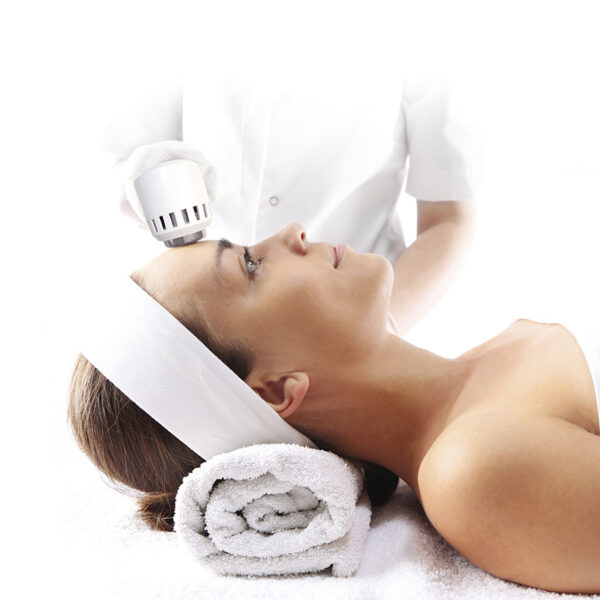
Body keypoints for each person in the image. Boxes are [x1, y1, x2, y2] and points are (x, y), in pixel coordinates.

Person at [69, 222, 600, 594]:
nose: (292, 233)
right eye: (251, 265)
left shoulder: (483, 384)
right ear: (275, 391)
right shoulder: (476, 472)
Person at [103, 71, 481, 335]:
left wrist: (378, 329)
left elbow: (448, 218)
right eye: (250, 265)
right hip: (208, 334)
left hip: (362, 312)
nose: (295, 232)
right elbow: (124, 148)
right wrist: (134, 183)